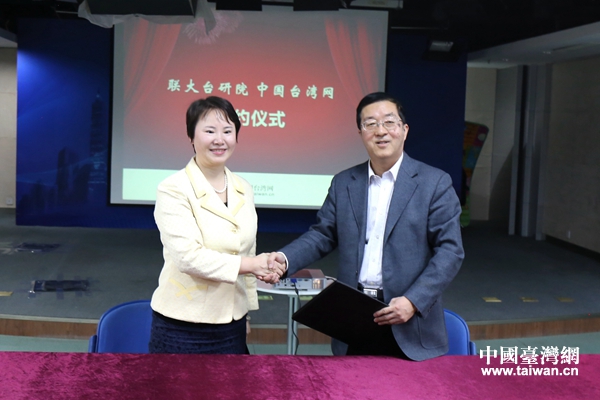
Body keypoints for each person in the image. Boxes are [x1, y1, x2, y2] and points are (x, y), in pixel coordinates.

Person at [268, 92, 464, 361]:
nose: (380, 131)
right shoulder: (344, 182)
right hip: (354, 315)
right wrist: (285, 258)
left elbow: (450, 251)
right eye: (371, 124)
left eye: (389, 122)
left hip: (407, 317)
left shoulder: (434, 183)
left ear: (404, 130)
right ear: (360, 133)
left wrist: (413, 301)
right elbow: (323, 234)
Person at [149, 96, 284, 354]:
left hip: (232, 323)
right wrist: (252, 265)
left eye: (227, 131)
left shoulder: (243, 188)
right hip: (182, 325)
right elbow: (188, 258)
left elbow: (247, 249)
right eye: (209, 131)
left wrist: (246, 311)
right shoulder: (173, 189)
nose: (219, 139)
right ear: (191, 136)